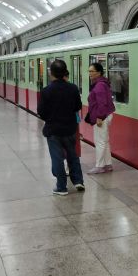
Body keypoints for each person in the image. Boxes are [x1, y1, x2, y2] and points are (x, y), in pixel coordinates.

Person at [37, 59, 85, 195]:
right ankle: (78, 181)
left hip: (53, 130)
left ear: (51, 73)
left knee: (57, 158)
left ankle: (61, 187)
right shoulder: (73, 88)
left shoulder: (46, 91)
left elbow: (41, 111)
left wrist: (50, 118)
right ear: (64, 73)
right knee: (73, 156)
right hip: (70, 129)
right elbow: (78, 106)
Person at [86, 62, 116, 174]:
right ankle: (108, 164)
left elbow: (102, 103)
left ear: (98, 72)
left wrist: (99, 117)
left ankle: (99, 166)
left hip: (102, 116)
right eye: (89, 71)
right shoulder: (102, 83)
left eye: (92, 71)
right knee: (105, 141)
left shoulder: (99, 85)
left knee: (100, 142)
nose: (90, 73)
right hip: (105, 115)